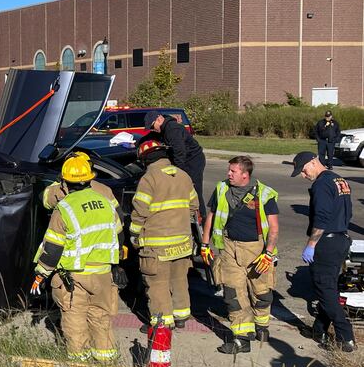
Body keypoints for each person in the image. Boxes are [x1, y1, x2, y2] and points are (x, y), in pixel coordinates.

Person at [30, 154, 123, 362]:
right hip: (102, 274)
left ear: (65, 181)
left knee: (74, 317)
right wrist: (117, 266)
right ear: (91, 178)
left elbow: (53, 248)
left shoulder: (65, 208)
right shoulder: (106, 202)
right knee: (100, 316)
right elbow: (117, 233)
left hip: (75, 277)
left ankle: (80, 363)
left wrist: (40, 274)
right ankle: (106, 360)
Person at [202, 156, 279, 354]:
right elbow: (211, 216)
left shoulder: (264, 194)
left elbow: (274, 228)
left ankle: (261, 327)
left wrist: (268, 253)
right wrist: (204, 243)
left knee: (261, 293)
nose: (228, 174)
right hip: (229, 249)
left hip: (256, 251)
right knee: (233, 295)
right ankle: (242, 339)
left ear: (245, 175)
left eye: (233, 171)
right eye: (229, 170)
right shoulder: (221, 189)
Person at [291, 151, 356, 352]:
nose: (303, 175)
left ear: (313, 162)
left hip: (326, 243)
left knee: (325, 290)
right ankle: (318, 330)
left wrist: (311, 245)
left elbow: (321, 218)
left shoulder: (320, 184)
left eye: (303, 170)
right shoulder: (339, 180)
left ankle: (346, 337)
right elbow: (348, 212)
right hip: (341, 239)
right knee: (328, 288)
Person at [130, 139, 198, 330]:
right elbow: (194, 206)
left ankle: (162, 322)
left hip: (157, 246)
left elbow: (139, 213)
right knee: (179, 279)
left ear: (144, 160)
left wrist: (134, 236)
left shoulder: (149, 179)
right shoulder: (183, 176)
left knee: (157, 283)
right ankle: (181, 316)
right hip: (183, 243)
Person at [143, 111, 207, 218]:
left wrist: (178, 174)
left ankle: (201, 219)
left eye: (152, 126)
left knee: (194, 190)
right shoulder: (163, 128)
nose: (152, 129)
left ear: (159, 119)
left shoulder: (172, 129)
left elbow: (179, 153)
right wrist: (136, 142)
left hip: (192, 161)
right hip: (185, 159)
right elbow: (151, 136)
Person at [42, 151, 119, 211]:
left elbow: (46, 201)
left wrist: (59, 182)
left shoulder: (60, 191)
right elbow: (118, 217)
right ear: (88, 167)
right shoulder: (105, 189)